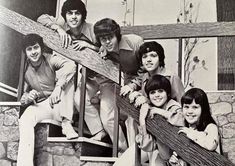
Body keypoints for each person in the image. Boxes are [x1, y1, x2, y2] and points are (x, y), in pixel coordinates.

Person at [37, 0, 106, 141]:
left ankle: (93, 129)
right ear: (65, 15)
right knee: (71, 83)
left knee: (79, 96)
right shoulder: (62, 25)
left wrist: (89, 46)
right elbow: (41, 18)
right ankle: (67, 122)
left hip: (95, 77)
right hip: (72, 74)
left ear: (83, 16)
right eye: (70, 13)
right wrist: (59, 29)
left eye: (77, 13)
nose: (73, 17)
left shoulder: (92, 30)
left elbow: (107, 50)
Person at [17, 34, 78, 166]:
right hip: (43, 106)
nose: (33, 52)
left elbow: (71, 66)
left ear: (41, 48)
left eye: (36, 47)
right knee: (25, 118)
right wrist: (29, 97)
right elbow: (22, 98)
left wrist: (58, 87)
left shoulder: (50, 59)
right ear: (25, 52)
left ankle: (67, 123)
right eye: (29, 49)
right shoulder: (26, 70)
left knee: (68, 81)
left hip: (60, 103)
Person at [94, 18, 144, 148]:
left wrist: (133, 85)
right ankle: (123, 151)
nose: (107, 42)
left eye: (110, 37)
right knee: (110, 116)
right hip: (128, 83)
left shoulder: (135, 42)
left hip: (145, 83)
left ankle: (134, 158)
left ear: (116, 34)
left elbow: (147, 69)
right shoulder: (106, 49)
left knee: (132, 118)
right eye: (103, 39)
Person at [113, 75, 184, 166]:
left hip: (176, 159)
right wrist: (142, 121)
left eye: (160, 91)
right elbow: (148, 146)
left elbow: (182, 120)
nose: (157, 95)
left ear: (168, 93)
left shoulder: (174, 107)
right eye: (152, 92)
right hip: (160, 152)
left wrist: (161, 112)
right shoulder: (150, 108)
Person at [169, 88, 221, 166]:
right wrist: (178, 163)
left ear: (203, 109)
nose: (190, 111)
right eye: (186, 107)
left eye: (195, 107)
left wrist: (191, 133)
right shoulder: (186, 127)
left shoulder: (211, 127)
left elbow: (211, 145)